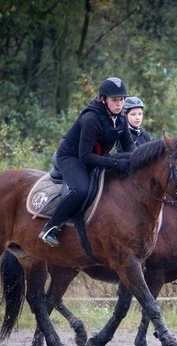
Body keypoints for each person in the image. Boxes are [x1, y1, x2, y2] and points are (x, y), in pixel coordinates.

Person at [38, 77, 136, 247]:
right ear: (103, 99)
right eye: (115, 100)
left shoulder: (120, 118)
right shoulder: (92, 118)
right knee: (80, 190)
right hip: (71, 157)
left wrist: (137, 161)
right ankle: (51, 227)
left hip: (94, 157)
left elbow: (129, 146)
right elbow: (85, 157)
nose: (120, 104)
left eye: (122, 100)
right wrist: (115, 163)